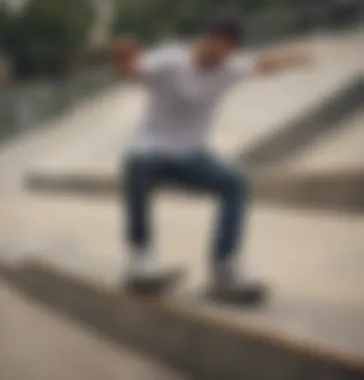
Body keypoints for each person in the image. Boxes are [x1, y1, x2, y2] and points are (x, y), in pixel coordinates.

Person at [112, 13, 313, 303]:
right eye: (219, 47)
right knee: (138, 163)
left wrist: (295, 58)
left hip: (192, 155)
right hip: (152, 148)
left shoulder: (229, 67)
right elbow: (132, 74)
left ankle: (224, 267)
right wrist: (123, 59)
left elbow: (262, 65)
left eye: (230, 49)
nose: (222, 56)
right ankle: (140, 260)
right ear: (205, 40)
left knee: (236, 182)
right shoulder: (171, 60)